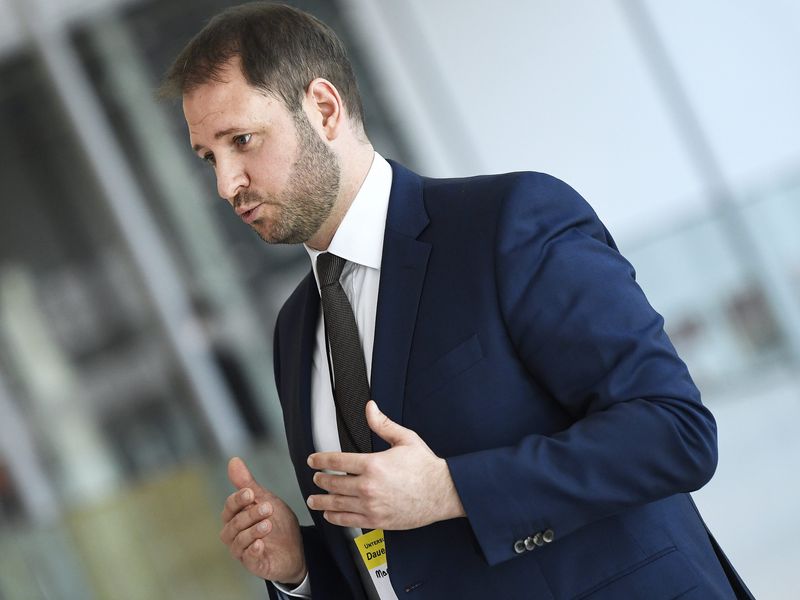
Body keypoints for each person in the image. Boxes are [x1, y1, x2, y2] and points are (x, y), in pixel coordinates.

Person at [161, 3, 754, 599]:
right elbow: (397, 564)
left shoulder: (509, 222)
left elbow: (673, 432)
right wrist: (300, 568)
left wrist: (450, 489)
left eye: (242, 140)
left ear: (324, 108)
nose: (226, 184)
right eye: (210, 157)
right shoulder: (295, 329)